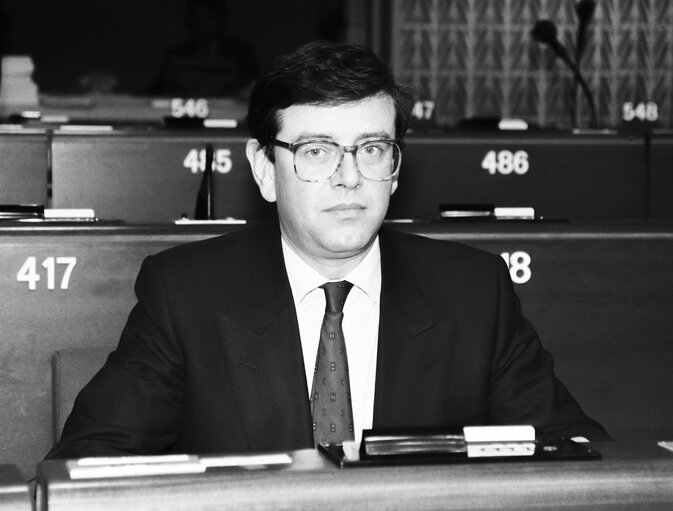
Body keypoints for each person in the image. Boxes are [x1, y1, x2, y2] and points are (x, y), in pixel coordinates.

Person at [46, 40, 609, 460]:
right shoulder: (186, 292)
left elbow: (571, 452)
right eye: (317, 151)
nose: (349, 178)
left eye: (371, 149)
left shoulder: (473, 291)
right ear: (266, 169)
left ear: (395, 168)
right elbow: (90, 462)